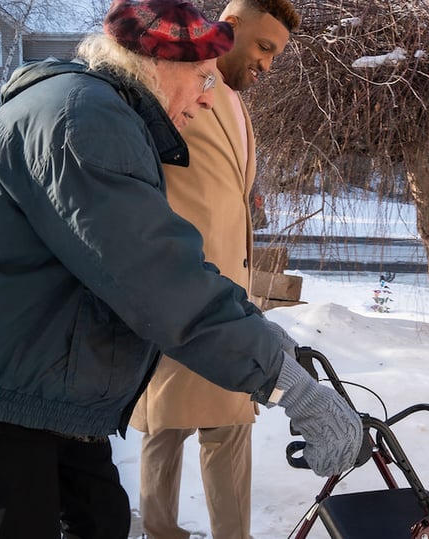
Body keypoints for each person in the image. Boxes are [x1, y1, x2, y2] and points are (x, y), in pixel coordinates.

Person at [0, 1, 363, 538]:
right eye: (203, 77)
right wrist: (290, 385)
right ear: (155, 62)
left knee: (103, 521)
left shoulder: (99, 111)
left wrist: (266, 340)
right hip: (14, 382)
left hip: (52, 371)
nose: (208, 97)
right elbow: (158, 277)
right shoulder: (86, 123)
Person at [129, 1, 300, 538]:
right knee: (167, 424)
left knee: (225, 425)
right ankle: (161, 531)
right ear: (230, 27)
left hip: (228, 298)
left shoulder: (238, 106)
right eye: (264, 48)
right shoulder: (172, 87)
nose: (268, 66)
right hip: (182, 292)